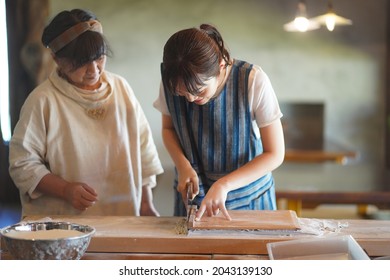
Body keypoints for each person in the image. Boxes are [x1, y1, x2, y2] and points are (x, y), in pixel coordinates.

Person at [9, 9, 164, 218]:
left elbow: (143, 149)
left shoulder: (121, 88)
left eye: (99, 58)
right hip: (63, 226)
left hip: (122, 216)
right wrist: (65, 189)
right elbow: (22, 164)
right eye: (81, 63)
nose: (94, 70)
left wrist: (145, 203)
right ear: (56, 59)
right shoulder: (43, 100)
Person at [153, 24, 285, 221]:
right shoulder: (172, 77)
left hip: (248, 202)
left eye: (199, 89)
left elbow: (275, 154)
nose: (189, 98)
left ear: (221, 66)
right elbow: (168, 129)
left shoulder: (252, 80)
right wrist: (182, 166)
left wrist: (224, 184)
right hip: (194, 203)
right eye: (181, 92)